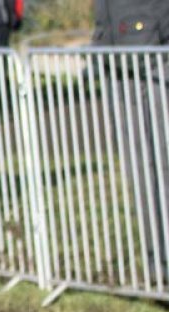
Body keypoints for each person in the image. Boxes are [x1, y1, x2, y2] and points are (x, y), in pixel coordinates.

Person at [95, 0, 169, 280]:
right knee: (139, 170)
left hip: (153, 59)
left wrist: (151, 34)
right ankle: (157, 264)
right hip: (118, 63)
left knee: (162, 165)